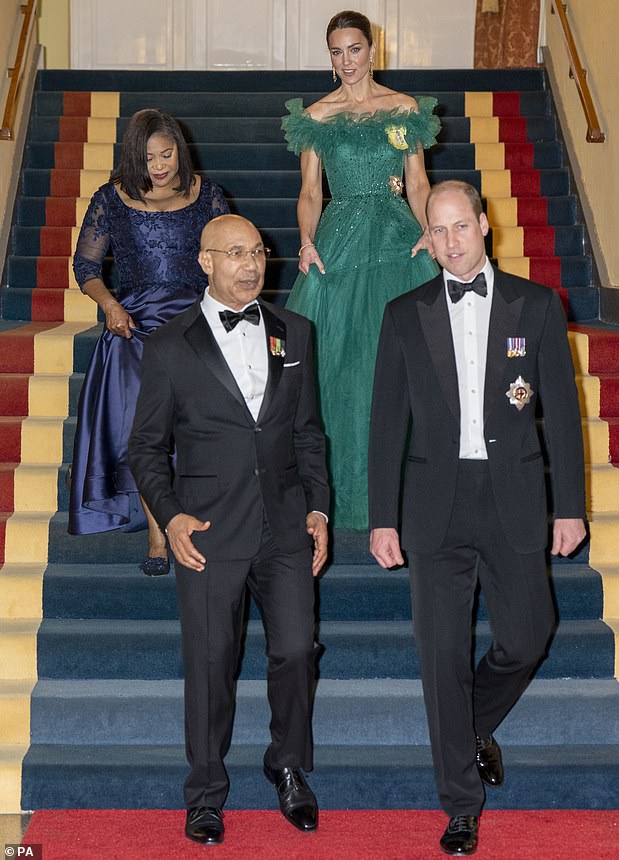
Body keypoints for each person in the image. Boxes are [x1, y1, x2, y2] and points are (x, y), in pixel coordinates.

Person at [368, 181, 586, 856]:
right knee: (440, 657)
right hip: (434, 505)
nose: (451, 241)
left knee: (529, 635)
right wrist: (382, 517)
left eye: (461, 226)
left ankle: (469, 729)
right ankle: (460, 803)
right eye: (439, 232)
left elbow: (563, 416)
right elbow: (385, 425)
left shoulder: (537, 304)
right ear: (426, 240)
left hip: (513, 496)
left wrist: (571, 506)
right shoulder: (405, 313)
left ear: (484, 226)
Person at [128, 214, 330, 846]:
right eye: (237, 253)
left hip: (286, 524)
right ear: (205, 262)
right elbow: (144, 447)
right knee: (211, 663)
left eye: (259, 251)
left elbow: (308, 434)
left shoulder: (295, 331)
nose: (252, 263)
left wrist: (319, 509)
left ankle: (288, 765)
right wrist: (170, 515)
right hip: (208, 530)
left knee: (296, 650)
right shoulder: (168, 345)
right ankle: (206, 792)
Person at [281, 9, 440, 529]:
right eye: (336, 52)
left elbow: (417, 183)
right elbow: (310, 192)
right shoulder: (318, 117)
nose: (346, 61)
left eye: (354, 49)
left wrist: (430, 230)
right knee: (338, 368)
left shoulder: (403, 108)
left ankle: (408, 493)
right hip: (340, 240)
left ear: (373, 50)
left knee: (400, 362)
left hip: (397, 240)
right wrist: (306, 239)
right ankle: (337, 496)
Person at [68, 108, 229, 575]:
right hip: (132, 327)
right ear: (133, 157)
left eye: (166, 153)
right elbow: (86, 268)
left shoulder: (208, 196)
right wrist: (111, 307)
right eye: (148, 156)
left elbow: (226, 258)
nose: (159, 165)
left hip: (194, 323)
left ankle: (197, 514)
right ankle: (159, 536)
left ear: (180, 149)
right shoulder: (111, 198)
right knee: (143, 425)